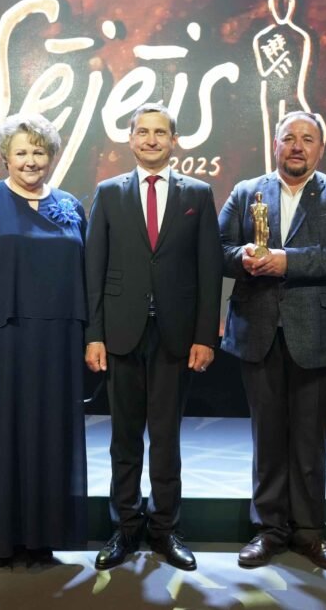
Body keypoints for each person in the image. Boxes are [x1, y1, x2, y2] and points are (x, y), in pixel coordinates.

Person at [219, 110, 326, 571]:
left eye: (307, 139)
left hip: (318, 333)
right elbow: (217, 248)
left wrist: (289, 261)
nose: (297, 146)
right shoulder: (246, 192)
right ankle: (269, 530)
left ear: (320, 148)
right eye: (289, 138)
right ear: (275, 144)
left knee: (309, 440)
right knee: (267, 438)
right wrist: (242, 256)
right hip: (258, 331)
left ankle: (309, 532)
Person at [0, 113, 88, 566]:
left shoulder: (70, 205)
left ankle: (43, 532)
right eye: (21, 152)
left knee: (50, 435)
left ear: (52, 156)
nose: (30, 160)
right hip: (2, 338)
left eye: (39, 152)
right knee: (2, 433)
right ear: (5, 156)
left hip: (59, 342)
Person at [85, 102, 222, 572]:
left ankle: (165, 528)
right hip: (120, 334)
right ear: (130, 138)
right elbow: (93, 269)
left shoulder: (198, 194)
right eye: (142, 132)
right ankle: (124, 527)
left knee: (166, 439)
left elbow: (209, 271)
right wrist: (94, 334)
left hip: (175, 335)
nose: (150, 140)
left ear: (174, 141)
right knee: (124, 439)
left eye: (160, 132)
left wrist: (205, 335)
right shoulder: (108, 192)